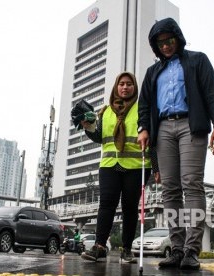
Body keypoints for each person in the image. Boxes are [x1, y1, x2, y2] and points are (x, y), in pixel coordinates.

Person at [137, 18, 214, 270]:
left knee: (191, 184)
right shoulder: (153, 72)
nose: (165, 46)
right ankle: (176, 248)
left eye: (169, 40)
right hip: (163, 129)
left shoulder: (198, 60)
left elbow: (212, 92)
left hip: (191, 125)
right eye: (160, 42)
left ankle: (191, 250)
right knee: (170, 189)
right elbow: (144, 104)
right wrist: (143, 128)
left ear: (178, 37)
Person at [79, 72, 156, 263]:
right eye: (121, 84)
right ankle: (99, 246)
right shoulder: (105, 111)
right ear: (116, 87)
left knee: (130, 208)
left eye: (129, 84)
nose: (125, 87)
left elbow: (152, 139)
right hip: (109, 165)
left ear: (134, 88)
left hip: (136, 166)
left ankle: (127, 250)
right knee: (106, 204)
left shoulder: (142, 109)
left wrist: (156, 167)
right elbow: (100, 137)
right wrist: (88, 127)